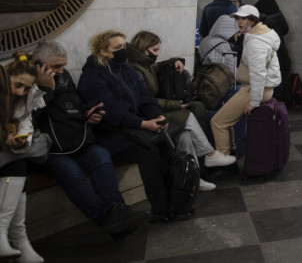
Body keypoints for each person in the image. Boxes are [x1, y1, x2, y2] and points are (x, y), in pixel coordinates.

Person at [31, 41, 142, 238]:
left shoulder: (63, 78)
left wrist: (87, 114)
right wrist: (46, 90)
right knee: (71, 171)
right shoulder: (26, 81)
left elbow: (73, 105)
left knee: (101, 156)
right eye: (56, 66)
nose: (61, 70)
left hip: (75, 138)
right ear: (38, 63)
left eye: (63, 65)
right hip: (49, 148)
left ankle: (118, 211)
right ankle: (106, 219)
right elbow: (27, 117)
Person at [76, 30, 173, 223]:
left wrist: (157, 115)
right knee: (148, 150)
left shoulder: (126, 69)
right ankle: (161, 209)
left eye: (124, 46)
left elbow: (145, 96)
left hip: (132, 128)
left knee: (166, 146)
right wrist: (144, 123)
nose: (123, 50)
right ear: (103, 52)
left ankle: (174, 201)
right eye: (117, 47)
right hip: (109, 134)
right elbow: (111, 111)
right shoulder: (93, 75)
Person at [127, 31, 234, 189]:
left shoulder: (144, 64)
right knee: (187, 116)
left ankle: (193, 177)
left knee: (185, 135)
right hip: (147, 115)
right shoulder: (135, 70)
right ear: (144, 49)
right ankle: (210, 154)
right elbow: (145, 101)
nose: (157, 54)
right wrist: (176, 105)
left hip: (154, 110)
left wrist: (175, 61)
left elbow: (157, 67)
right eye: (155, 50)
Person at [210, 5, 281, 155]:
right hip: (253, 88)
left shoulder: (256, 42)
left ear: (252, 20)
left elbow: (258, 74)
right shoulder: (258, 35)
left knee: (218, 122)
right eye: (237, 18)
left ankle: (224, 159)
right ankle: (230, 153)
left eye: (244, 18)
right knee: (225, 120)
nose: (239, 22)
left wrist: (254, 102)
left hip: (255, 90)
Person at [0, 55, 45, 262]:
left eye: (26, 88)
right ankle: (14, 237)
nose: (21, 92)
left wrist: (21, 139)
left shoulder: (21, 99)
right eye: (18, 85)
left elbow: (25, 122)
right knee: (15, 165)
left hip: (6, 158)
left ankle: (16, 237)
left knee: (17, 163)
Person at [255, 0, 291, 82]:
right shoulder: (277, 9)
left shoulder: (257, 11)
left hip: (264, 48)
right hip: (280, 47)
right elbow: (286, 29)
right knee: (281, 71)